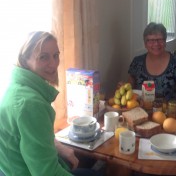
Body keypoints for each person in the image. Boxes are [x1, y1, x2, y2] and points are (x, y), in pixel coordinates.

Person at [0, 31, 101, 176]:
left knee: (85, 161)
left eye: (56, 55)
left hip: (10, 169)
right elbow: (47, 173)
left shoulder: (15, 86)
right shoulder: (31, 104)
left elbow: (30, 136)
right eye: (43, 57)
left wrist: (60, 147)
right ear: (25, 59)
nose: (53, 64)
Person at [128, 22, 176, 109]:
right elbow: (130, 89)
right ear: (145, 44)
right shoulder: (137, 62)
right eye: (151, 40)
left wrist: (171, 112)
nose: (156, 44)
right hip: (140, 112)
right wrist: (123, 88)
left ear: (165, 41)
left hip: (167, 115)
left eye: (160, 39)